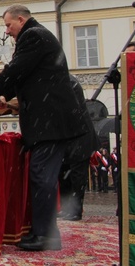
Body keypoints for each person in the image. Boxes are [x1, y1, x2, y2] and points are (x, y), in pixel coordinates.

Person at [0, 4, 88, 251]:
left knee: (42, 176)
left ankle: (46, 235)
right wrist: (5, 96)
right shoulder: (37, 36)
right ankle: (41, 232)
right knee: (42, 176)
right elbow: (26, 74)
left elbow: (17, 69)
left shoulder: (33, 35)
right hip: (49, 122)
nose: (7, 31)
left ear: (21, 20)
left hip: (50, 122)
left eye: (9, 25)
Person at [58, 75, 99, 221]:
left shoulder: (67, 81)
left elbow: (67, 108)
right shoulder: (63, 80)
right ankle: (67, 208)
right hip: (70, 137)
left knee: (76, 176)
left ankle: (75, 210)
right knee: (64, 174)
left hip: (80, 136)